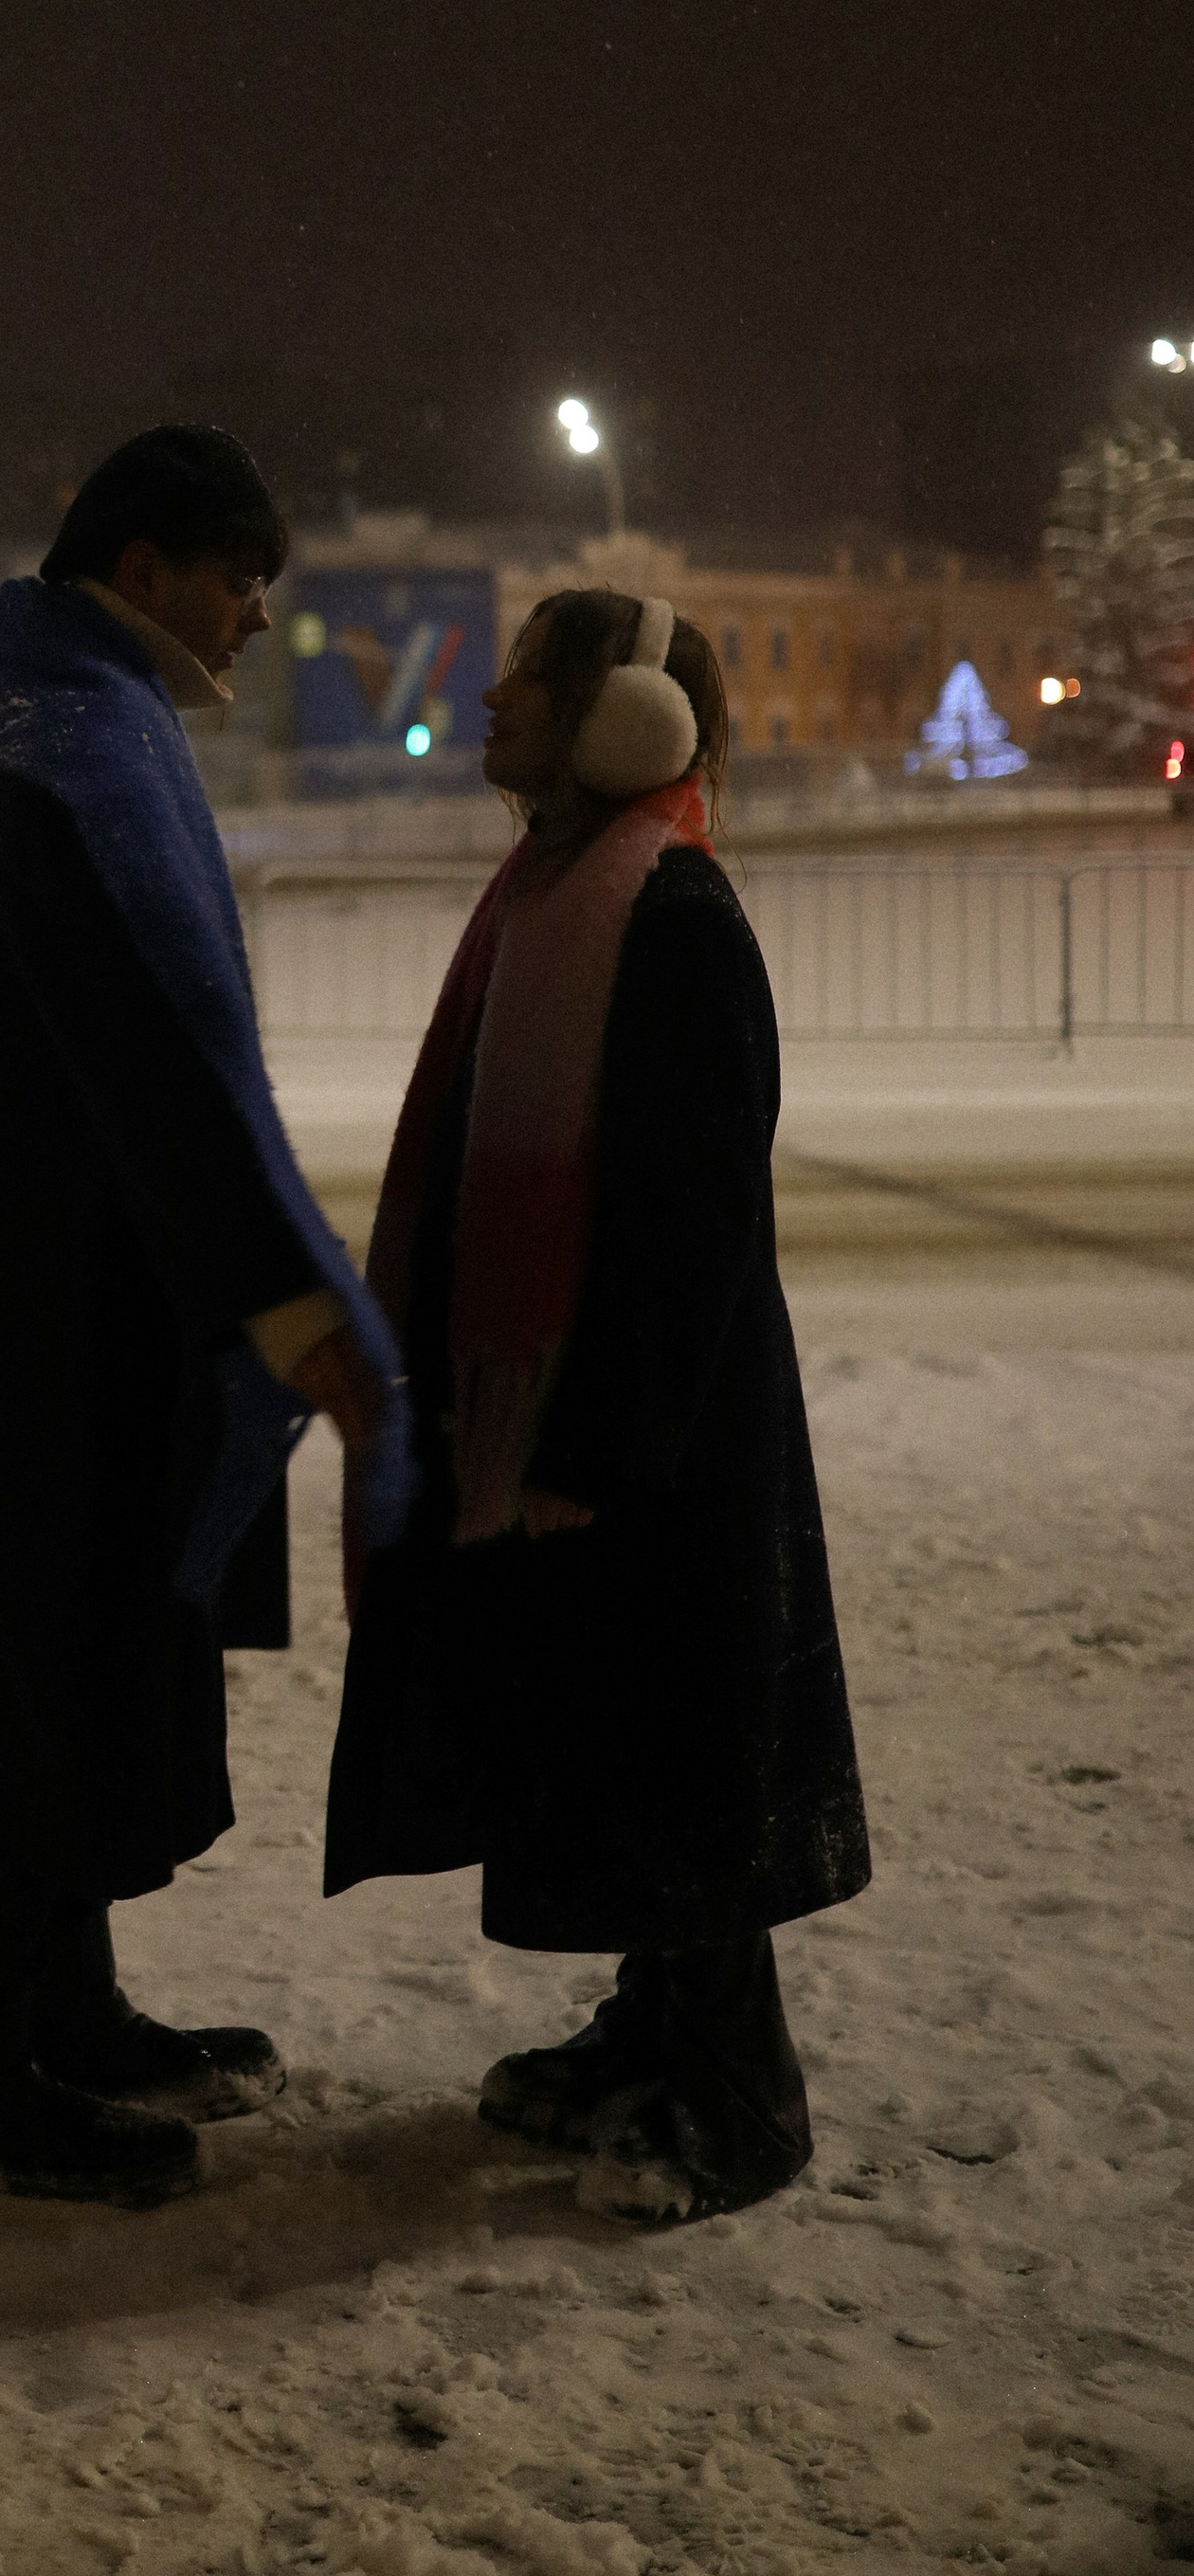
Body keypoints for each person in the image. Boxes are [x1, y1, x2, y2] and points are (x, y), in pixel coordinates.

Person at [0, 426, 407, 2204]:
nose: (252, 620)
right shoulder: (66, 749)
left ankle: (67, 2009)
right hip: (39, 1319)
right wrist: (286, 1294)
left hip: (45, 1291)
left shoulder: (51, 719)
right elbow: (151, 1064)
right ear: (144, 570)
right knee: (41, 1663)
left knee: (61, 1659)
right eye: (242, 582)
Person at [323, 588, 870, 2222]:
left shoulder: (672, 915)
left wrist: (590, 1448)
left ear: (619, 716)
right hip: (587, 1428)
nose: (491, 702)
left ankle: (737, 2101)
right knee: (626, 1746)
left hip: (656, 1442)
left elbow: (686, 1226)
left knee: (684, 1751)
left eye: (530, 679)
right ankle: (653, 2027)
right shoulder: (553, 893)